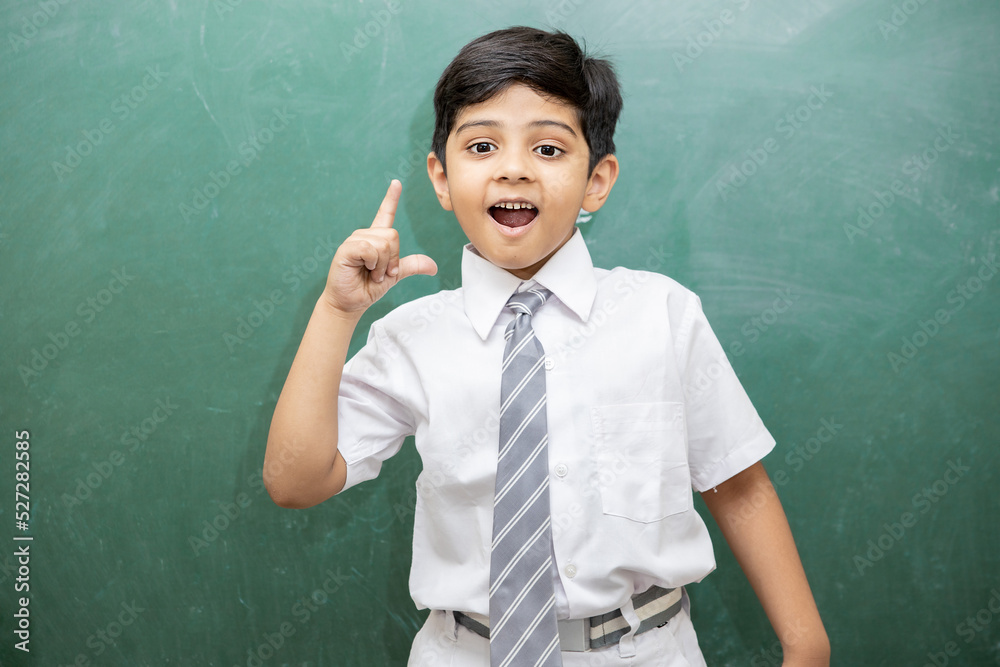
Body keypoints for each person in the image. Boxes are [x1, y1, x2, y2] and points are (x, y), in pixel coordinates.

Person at [264, 26, 830, 666]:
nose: (513, 167)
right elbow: (295, 480)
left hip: (644, 650)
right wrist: (337, 312)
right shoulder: (412, 337)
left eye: (549, 149)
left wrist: (807, 644)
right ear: (442, 179)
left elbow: (737, 483)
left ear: (597, 180)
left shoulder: (661, 314)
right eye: (482, 145)